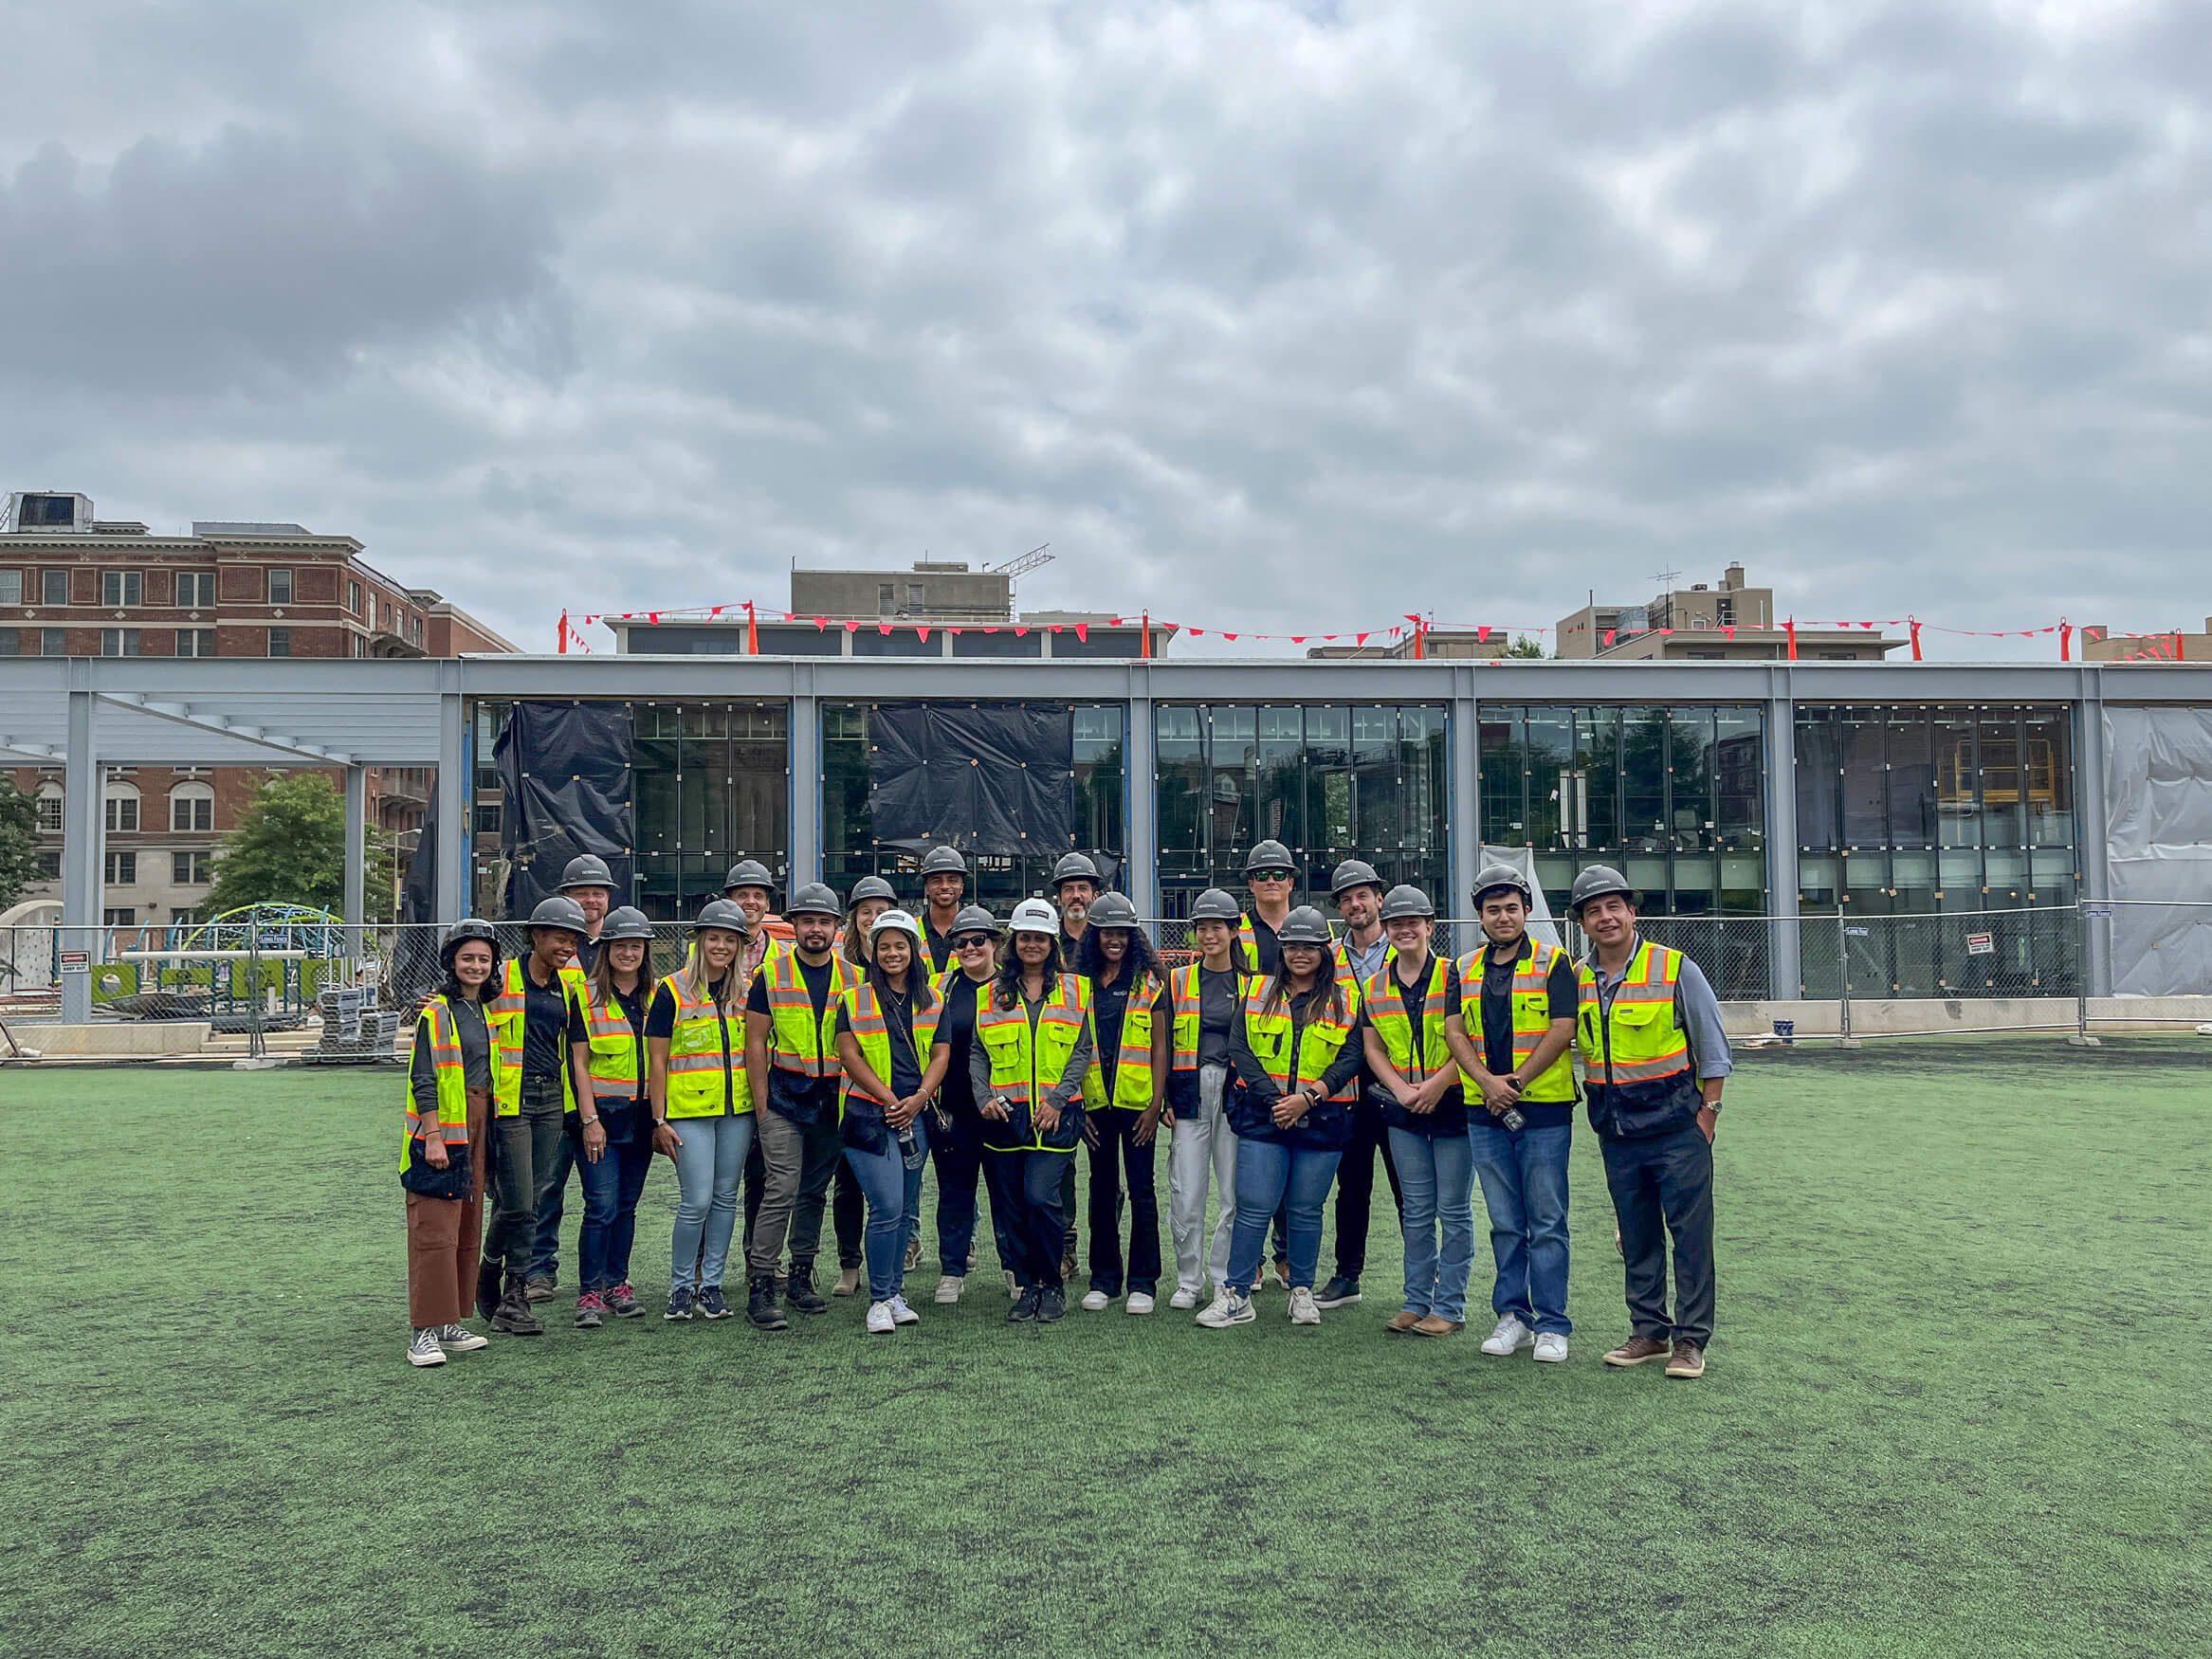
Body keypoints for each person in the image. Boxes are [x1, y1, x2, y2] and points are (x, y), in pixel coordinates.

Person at [1569, 865, 1731, 1380]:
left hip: (1678, 1130)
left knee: (1689, 1235)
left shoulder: (1673, 968)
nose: (1605, 917)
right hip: (1616, 1131)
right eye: (1593, 911)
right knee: (1636, 1235)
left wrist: (1708, 1113)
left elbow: (1713, 1048)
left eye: (1613, 907)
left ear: (1631, 912)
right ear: (1583, 923)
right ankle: (1649, 1330)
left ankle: (1690, 1340)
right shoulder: (1576, 978)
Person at [1199, 906, 1362, 1329]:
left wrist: (1309, 1098)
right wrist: (1276, 1100)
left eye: (1310, 947)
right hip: (1263, 1116)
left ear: (1325, 951)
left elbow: (1352, 1055)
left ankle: (1302, 1291)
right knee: (1253, 1207)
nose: (1300, 954)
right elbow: (1239, 1047)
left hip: (1324, 1117)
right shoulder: (1257, 991)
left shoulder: (1346, 999)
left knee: (1307, 1209)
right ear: (1282, 950)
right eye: (1292, 946)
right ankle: (1236, 1294)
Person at [1457, 864, 1579, 1363]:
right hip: (1483, 1112)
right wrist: (1488, 1084)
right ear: (1480, 917)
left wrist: (1517, 1083)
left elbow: (1562, 1027)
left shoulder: (1555, 961)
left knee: (1547, 1220)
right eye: (1493, 909)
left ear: (1526, 910)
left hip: (1544, 1111)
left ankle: (1553, 1323)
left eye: (1511, 907)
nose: (1502, 916)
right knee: (1506, 1221)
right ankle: (1513, 1317)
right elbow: (1454, 1033)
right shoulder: (1463, 968)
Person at [972, 899, 1094, 1324]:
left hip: (1056, 1118)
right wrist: (982, 1095)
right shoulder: (991, 993)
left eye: (1040, 938)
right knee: (1011, 1206)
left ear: (1053, 943)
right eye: (1025, 937)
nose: (1032, 945)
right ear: (1013, 942)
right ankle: (1026, 1286)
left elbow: (1083, 1049)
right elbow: (977, 1050)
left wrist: (1058, 1099)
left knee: (1041, 1198)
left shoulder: (1077, 989)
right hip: (1004, 1117)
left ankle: (1053, 1283)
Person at [1362, 884, 1476, 1338]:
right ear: (1386, 930)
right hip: (1403, 1111)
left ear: (1430, 927)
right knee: (1416, 1210)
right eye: (1396, 923)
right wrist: (1401, 1090)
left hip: (1451, 1106)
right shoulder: (1374, 986)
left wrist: (1434, 1085)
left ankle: (1449, 1306)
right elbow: (1373, 1048)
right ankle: (1415, 1302)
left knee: (1454, 1210)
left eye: (1414, 922)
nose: (1405, 929)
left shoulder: (1457, 977)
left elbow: (1471, 1040)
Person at [833, 909, 950, 1334]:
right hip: (868, 1115)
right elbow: (850, 1056)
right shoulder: (853, 998)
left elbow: (941, 1055)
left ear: (914, 949)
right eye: (884, 946)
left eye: (900, 945)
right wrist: (889, 1099)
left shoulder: (933, 999)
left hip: (915, 1116)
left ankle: (895, 1292)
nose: (892, 953)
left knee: (902, 1209)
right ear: (872, 951)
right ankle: (880, 1300)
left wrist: (918, 1099)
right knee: (885, 1206)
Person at [743, 883, 853, 1329]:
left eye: (824, 921)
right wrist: (762, 1105)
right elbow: (755, 1042)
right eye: (807, 921)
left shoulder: (854, 978)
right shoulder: (771, 975)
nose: (815, 929)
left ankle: (801, 1275)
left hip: (832, 1101)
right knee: (782, 1188)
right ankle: (762, 1282)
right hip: (785, 1099)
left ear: (836, 928)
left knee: (813, 1191)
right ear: (794, 926)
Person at [480, 895, 590, 1338]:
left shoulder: (569, 987)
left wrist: (585, 1114)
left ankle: (508, 1287)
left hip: (550, 1101)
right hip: (510, 1100)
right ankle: (499, 1280)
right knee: (519, 1201)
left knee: (534, 1196)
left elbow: (576, 1053)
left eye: (574, 939)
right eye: (560, 937)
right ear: (536, 935)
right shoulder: (501, 977)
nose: (567, 946)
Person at [401, 920, 503, 1367]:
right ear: (452, 962)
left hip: (480, 1125)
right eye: (468, 958)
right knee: (434, 1231)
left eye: (484, 959)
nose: (476, 966)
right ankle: (423, 1330)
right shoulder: (437, 1011)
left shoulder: (485, 1009)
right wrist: (434, 1135)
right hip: (444, 1129)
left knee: (466, 1226)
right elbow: (423, 1076)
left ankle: (449, 1320)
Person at [648, 901, 754, 1322]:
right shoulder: (672, 990)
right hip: (689, 1112)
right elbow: (657, 1060)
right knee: (697, 1200)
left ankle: (711, 1285)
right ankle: (680, 1287)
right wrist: (659, 1119)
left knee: (727, 1198)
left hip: (736, 1111)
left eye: (730, 939)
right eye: (714, 938)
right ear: (698, 941)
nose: (722, 946)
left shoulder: (745, 991)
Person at [525, 852, 615, 1302]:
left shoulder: (619, 945)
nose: (591, 900)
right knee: (547, 1187)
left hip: (606, 1089)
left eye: (598, 892)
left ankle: (602, 1278)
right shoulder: (555, 953)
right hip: (553, 1092)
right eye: (582, 892)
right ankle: (540, 1270)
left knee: (604, 1198)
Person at [565, 906, 660, 1327]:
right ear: (606, 950)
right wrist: (590, 1120)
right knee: (600, 1205)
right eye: (620, 945)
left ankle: (617, 1283)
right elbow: (578, 1064)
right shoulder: (585, 996)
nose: (628, 953)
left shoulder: (659, 996)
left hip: (642, 1119)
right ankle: (589, 1292)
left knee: (626, 1206)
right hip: (601, 1118)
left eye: (635, 946)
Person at [1075, 893, 1168, 1314]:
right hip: (1094, 1106)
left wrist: (1155, 1105)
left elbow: (1160, 1046)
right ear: (1093, 936)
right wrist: (1078, 1107)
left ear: (1134, 936)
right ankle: (1104, 1279)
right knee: (1101, 1188)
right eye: (1106, 932)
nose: (1114, 940)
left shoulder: (1151, 981)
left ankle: (1143, 1282)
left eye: (1122, 933)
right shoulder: (1076, 984)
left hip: (1138, 1107)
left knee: (1142, 1190)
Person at [1316, 858, 1401, 1309]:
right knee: (1351, 1185)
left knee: (1411, 1185)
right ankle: (1347, 1274)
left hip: (1402, 1083)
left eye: (1362, 895)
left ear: (1378, 899)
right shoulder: (1328, 956)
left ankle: (1424, 1282)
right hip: (1349, 1085)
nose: (1355, 904)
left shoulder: (1406, 945)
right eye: (1346, 898)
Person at [1162, 887, 1250, 1309]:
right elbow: (1160, 1040)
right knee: (1187, 1191)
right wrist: (1162, 1098)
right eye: (1202, 927)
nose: (1209, 934)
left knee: (1234, 1194)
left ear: (1234, 931)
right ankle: (1188, 1280)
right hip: (1189, 1092)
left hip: (1237, 1097)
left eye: (1218, 927)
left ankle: (1224, 1279)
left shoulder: (1255, 983)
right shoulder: (1178, 979)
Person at [926, 904, 1009, 1304]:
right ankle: (952, 1270)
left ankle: (1014, 1268)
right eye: (962, 942)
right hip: (953, 1108)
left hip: (1002, 1109)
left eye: (979, 940)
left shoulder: (1011, 988)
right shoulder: (937, 987)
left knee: (1006, 1194)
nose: (971, 947)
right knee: (955, 1192)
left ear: (995, 943)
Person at [829, 876, 897, 1292]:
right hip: (849, 1092)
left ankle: (899, 1253)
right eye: (865, 912)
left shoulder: (904, 956)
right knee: (847, 1184)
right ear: (854, 919)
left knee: (898, 1187)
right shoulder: (841, 965)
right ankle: (849, 1265)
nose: (872, 919)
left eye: (879, 910)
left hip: (895, 1093)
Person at [1239, 838, 1297, 1285]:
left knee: (1295, 1174)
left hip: (1302, 1064)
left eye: (1279, 874)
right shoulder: (1237, 932)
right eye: (1262, 874)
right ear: (1251, 884)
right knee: (1254, 1169)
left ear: (1292, 881)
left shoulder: (1315, 929)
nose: (1271, 881)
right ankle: (1255, 1259)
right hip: (1253, 1066)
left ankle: (1286, 1255)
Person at [1049, 851, 1103, 1282]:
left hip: (1109, 1075)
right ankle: (1065, 1249)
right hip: (1060, 1075)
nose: (1076, 895)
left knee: (1107, 1173)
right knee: (1060, 1169)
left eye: (1083, 887)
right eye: (1068, 888)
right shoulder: (1046, 944)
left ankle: (1104, 1252)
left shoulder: (1110, 939)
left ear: (1096, 894)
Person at [918, 846, 968, 973]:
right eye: (937, 880)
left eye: (952, 880)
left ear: (962, 887)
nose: (945, 886)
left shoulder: (977, 932)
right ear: (927, 887)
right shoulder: (911, 930)